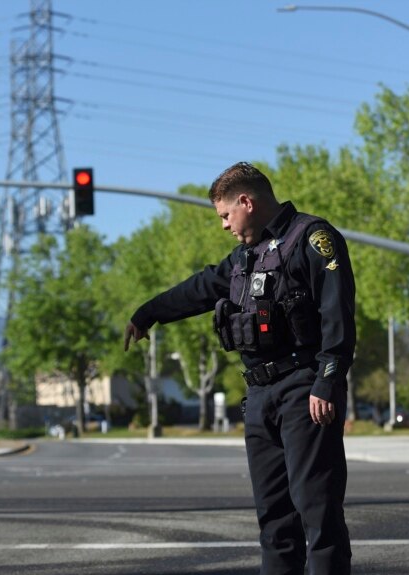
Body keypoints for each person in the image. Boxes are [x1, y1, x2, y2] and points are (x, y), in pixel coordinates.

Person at [124, 162, 355, 574]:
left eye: (226, 215)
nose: (225, 226)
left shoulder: (313, 238)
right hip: (260, 397)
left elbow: (338, 316)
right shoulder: (244, 257)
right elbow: (198, 288)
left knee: (317, 512)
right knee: (274, 519)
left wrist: (328, 381)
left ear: (247, 202)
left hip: (305, 391)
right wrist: (149, 313)